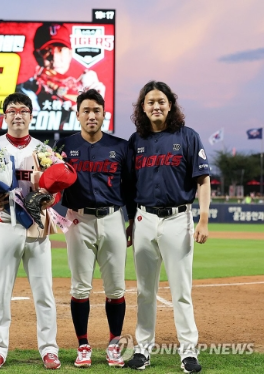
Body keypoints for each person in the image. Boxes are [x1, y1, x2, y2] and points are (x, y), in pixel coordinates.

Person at [127, 81, 210, 373]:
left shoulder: (188, 137)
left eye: (161, 101)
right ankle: (142, 351)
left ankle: (188, 353)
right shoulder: (136, 140)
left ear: (170, 104)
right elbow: (129, 185)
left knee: (181, 291)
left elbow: (203, 180)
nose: (156, 106)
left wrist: (203, 218)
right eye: (150, 102)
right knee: (144, 291)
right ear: (143, 108)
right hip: (144, 219)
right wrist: (130, 222)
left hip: (178, 218)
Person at [55, 89, 133, 368]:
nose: (91, 115)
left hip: (113, 218)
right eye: (86, 110)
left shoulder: (120, 147)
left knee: (116, 287)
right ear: (77, 115)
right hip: (78, 219)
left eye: (96, 111)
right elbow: (53, 183)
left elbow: (131, 188)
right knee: (80, 287)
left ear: (104, 115)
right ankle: (83, 346)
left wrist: (132, 221)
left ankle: (114, 345)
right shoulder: (64, 146)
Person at [0, 92, 61, 370]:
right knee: (0, 291)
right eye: (13, 110)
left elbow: (56, 191)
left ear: (31, 115)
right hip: (5, 224)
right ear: (5, 116)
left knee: (44, 292)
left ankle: (49, 349)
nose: (18, 115)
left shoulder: (43, 150)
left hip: (37, 227)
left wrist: (50, 198)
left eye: (23, 110)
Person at [18, 23, 105, 120]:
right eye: (47, 51)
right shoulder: (23, 92)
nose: (55, 59)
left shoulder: (78, 90)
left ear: (70, 54)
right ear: (37, 56)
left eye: (60, 50)